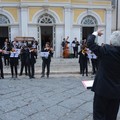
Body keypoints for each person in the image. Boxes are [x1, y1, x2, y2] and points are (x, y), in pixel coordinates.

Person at [87, 30, 120, 120]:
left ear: (111, 41)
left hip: (102, 90)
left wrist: (95, 33)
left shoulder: (105, 50)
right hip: (116, 92)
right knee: (112, 116)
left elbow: (89, 43)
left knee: (99, 115)